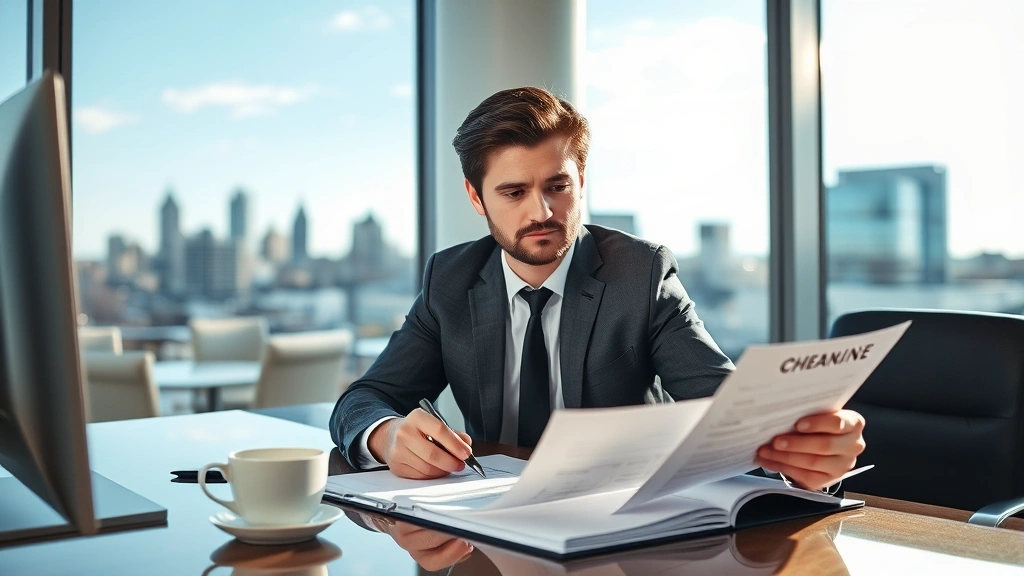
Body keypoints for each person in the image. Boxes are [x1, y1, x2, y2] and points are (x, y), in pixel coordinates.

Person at [330, 86, 865, 491]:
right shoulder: (450, 280)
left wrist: (803, 453)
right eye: (513, 192)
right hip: (487, 523)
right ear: (476, 197)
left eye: (557, 186)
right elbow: (363, 399)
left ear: (580, 181)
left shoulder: (641, 273)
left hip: (622, 523)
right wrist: (385, 436)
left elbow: (727, 410)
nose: (541, 212)